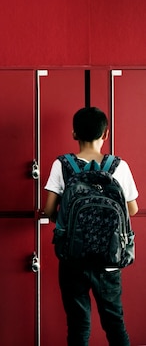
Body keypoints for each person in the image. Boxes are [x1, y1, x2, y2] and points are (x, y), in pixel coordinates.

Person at [43, 106, 139, 346]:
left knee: (78, 325)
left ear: (74, 134)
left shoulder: (62, 165)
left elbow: (48, 210)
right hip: (110, 259)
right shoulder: (119, 167)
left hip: (73, 259)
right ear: (105, 134)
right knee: (115, 323)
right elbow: (133, 209)